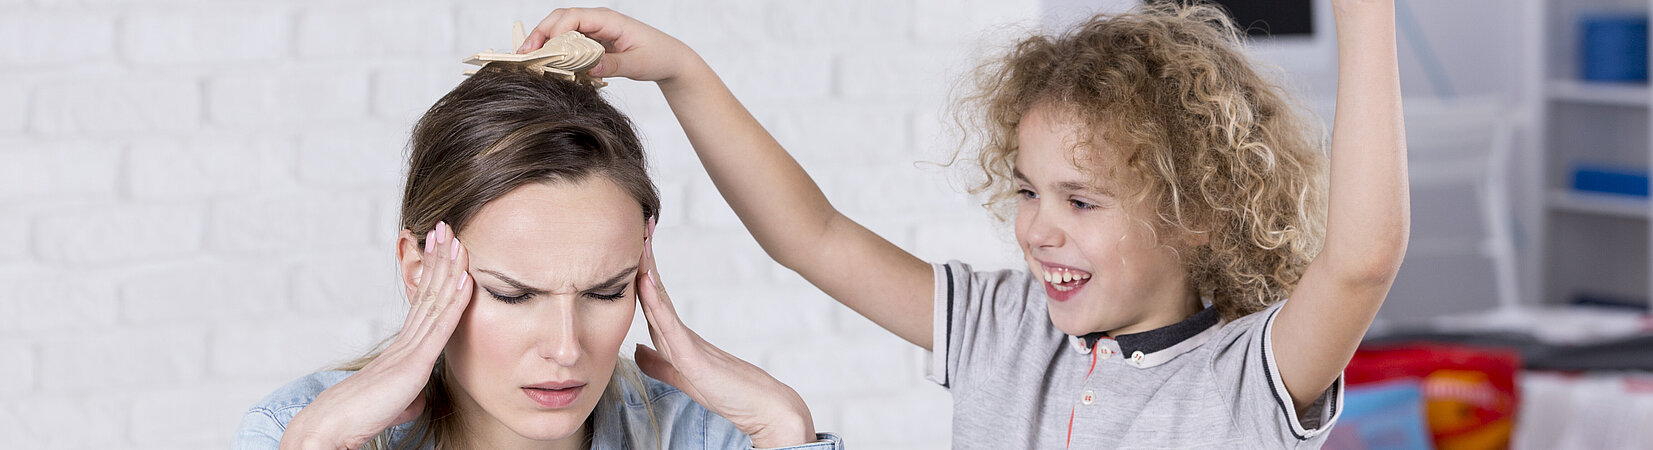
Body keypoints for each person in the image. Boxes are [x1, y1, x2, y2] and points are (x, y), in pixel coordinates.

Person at [519, 0, 1407, 446]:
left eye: (1081, 200)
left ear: (1198, 215)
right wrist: (680, 71)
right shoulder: (1007, 328)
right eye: (1027, 192)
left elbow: (1359, 262)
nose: (1038, 229)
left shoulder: (1246, 377)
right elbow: (811, 237)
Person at [231, 63, 843, 450]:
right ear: (421, 272)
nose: (567, 348)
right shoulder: (295, 431)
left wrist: (787, 432)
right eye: (513, 294)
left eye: (606, 292)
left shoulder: (708, 437)